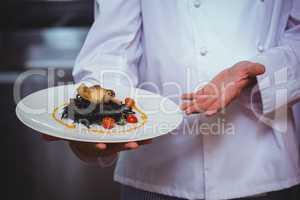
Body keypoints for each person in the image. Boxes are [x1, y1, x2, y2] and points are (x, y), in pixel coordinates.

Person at [46, 0, 300, 199]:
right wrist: (96, 123)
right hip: (155, 171)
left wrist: (256, 72)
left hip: (262, 167)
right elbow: (111, 50)